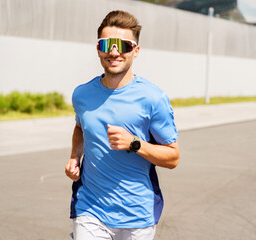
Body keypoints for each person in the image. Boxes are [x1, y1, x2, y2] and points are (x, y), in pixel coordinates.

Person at [65, 10, 180, 240]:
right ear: (98, 48)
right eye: (107, 44)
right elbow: (80, 128)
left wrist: (135, 144)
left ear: (135, 51)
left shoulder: (153, 98)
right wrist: (75, 156)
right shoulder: (82, 95)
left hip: (137, 215)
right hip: (90, 209)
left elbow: (173, 157)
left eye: (124, 45)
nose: (114, 51)